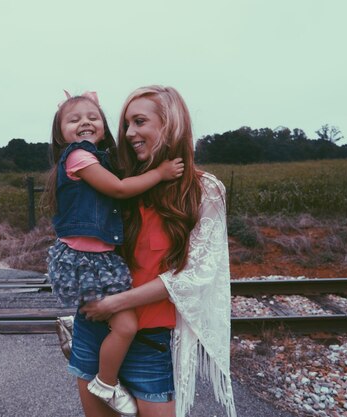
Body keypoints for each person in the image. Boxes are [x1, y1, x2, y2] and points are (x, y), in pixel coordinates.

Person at [75, 85, 237, 417]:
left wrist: (116, 303)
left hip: (149, 341)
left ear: (170, 124)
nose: (130, 133)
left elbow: (194, 277)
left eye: (139, 122)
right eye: (125, 125)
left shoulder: (204, 191)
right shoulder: (118, 182)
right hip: (94, 332)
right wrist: (85, 113)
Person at [45, 91, 184, 416]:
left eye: (93, 117)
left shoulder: (103, 161)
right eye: (74, 119)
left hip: (144, 325)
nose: (85, 123)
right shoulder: (81, 158)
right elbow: (120, 190)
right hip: (92, 271)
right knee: (125, 326)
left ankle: (104, 381)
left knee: (125, 325)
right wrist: (161, 173)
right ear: (60, 131)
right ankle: (105, 384)